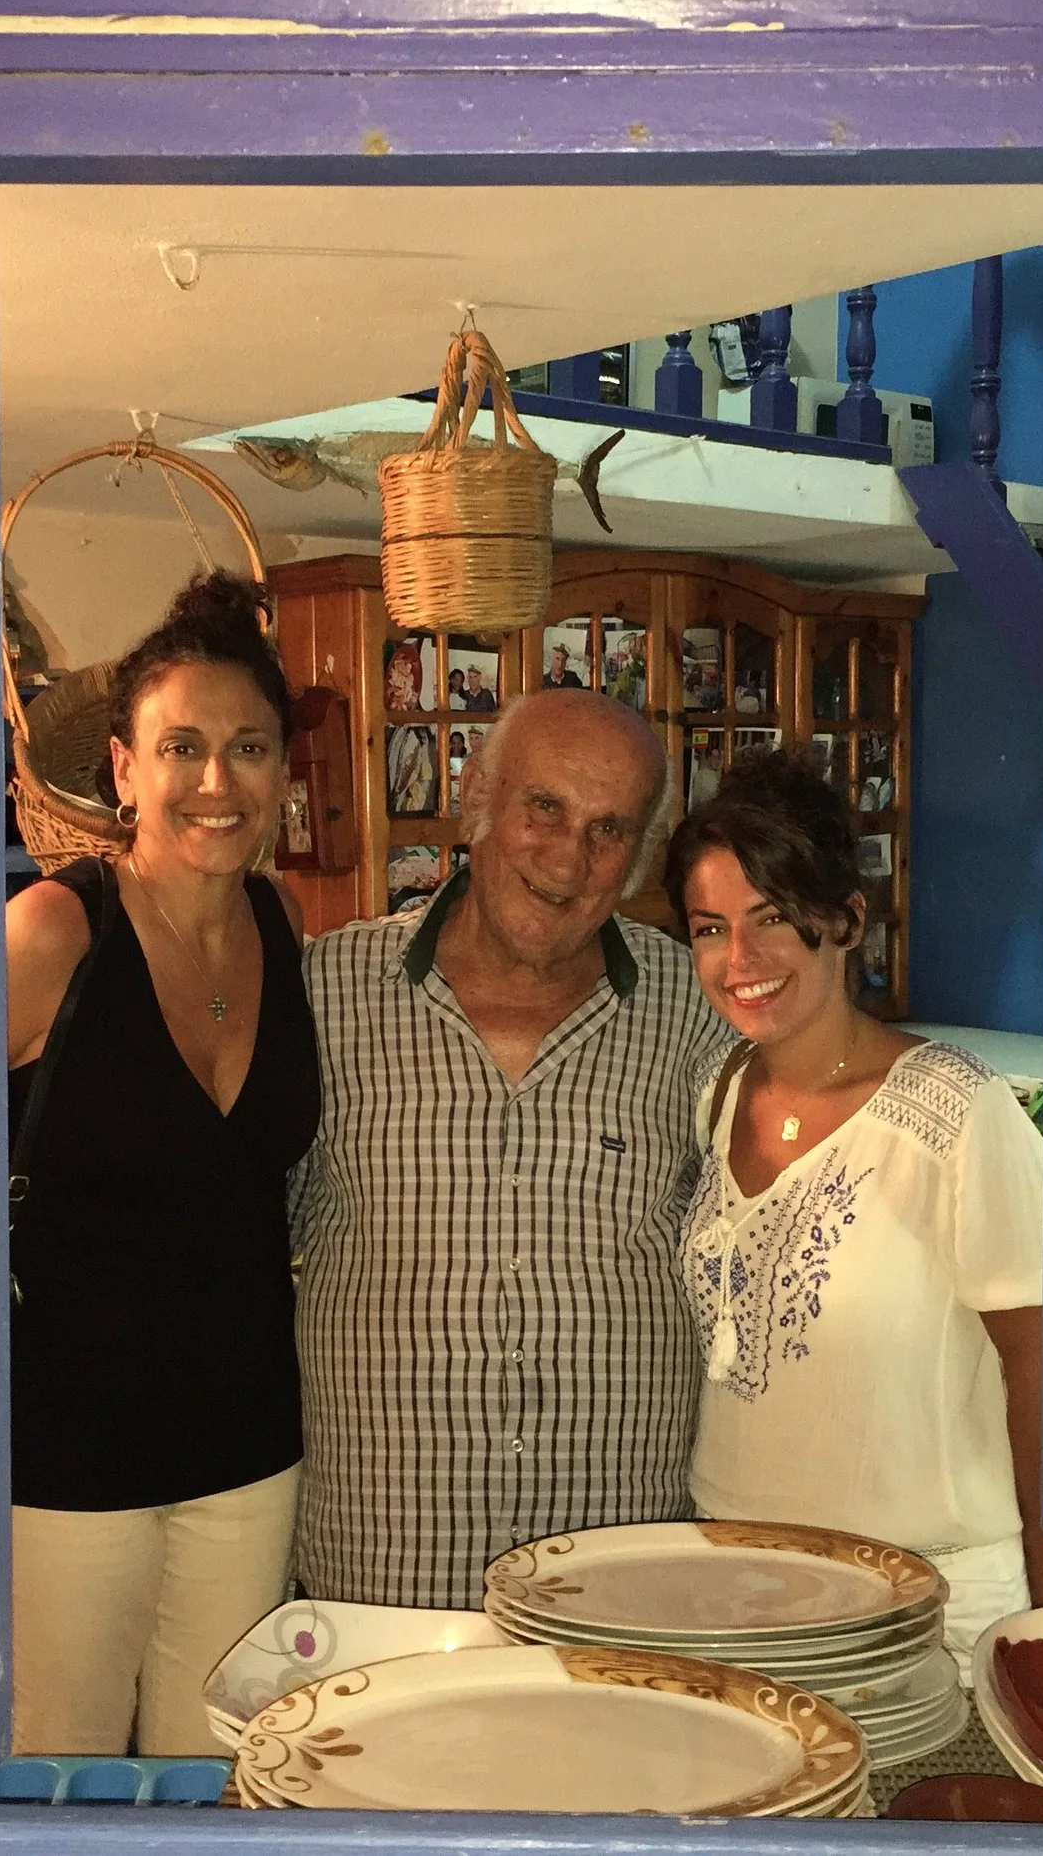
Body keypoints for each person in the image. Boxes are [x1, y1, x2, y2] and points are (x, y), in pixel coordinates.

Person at [293, 689, 734, 1608]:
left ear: (645, 852)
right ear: (475, 800)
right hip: (384, 1586)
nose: (570, 858)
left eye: (610, 829)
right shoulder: (325, 994)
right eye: (545, 808)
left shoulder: (698, 1009)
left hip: (624, 1586)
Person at [662, 747, 1043, 1683]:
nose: (741, 959)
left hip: (920, 1617)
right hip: (735, 1590)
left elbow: (1042, 1371)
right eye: (709, 927)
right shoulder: (719, 1090)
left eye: (772, 918)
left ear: (847, 919)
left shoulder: (955, 1113)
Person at [2, 570, 319, 1755]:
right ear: (124, 771)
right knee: (61, 1771)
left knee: (219, 1768)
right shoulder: (53, 932)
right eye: (179, 746)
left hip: (248, 1446)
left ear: (282, 771)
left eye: (247, 747)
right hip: (66, 1452)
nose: (215, 781)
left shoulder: (286, 929)